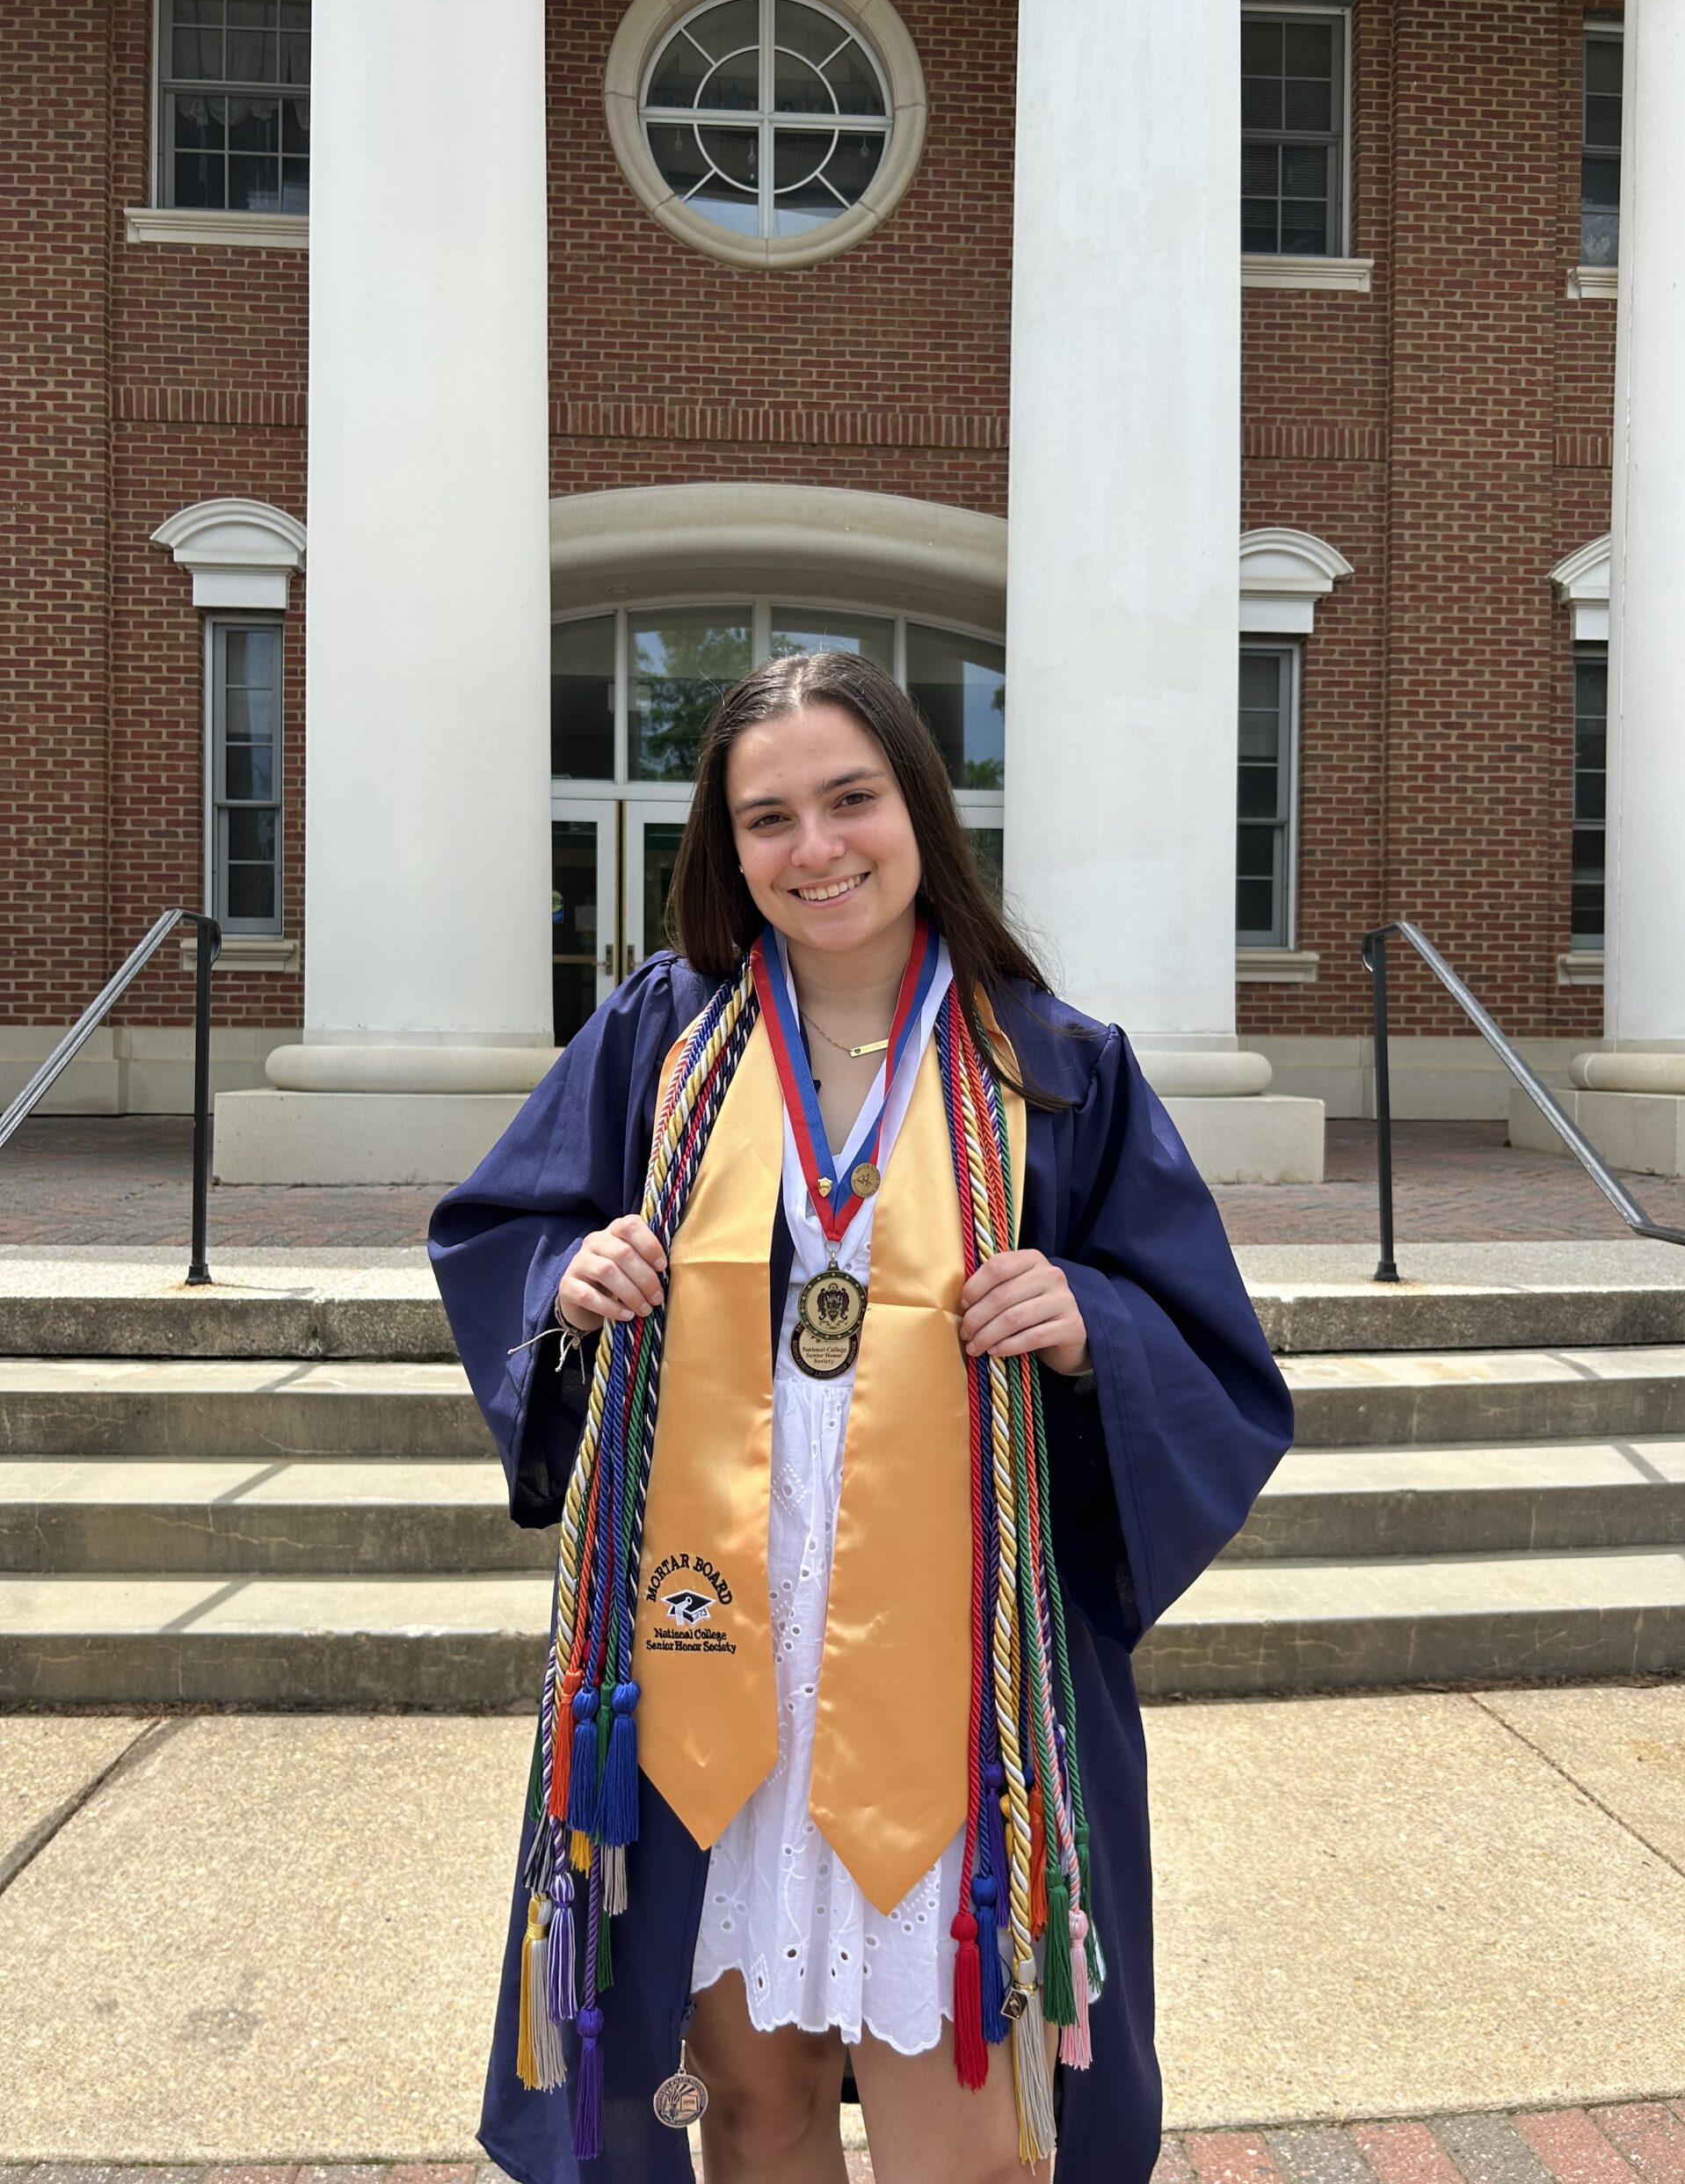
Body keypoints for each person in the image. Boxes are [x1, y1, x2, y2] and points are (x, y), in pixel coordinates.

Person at [428, 650, 1293, 2184]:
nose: (815, 849)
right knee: (750, 2114)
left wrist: (1097, 1326)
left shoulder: (1056, 1066)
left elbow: (1211, 1357)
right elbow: (505, 1231)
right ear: (727, 846)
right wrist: (575, 1276)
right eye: (769, 818)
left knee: (968, 2137)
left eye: (850, 800)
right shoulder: (663, 1043)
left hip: (956, 1684)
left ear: (919, 811)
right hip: (717, 1662)